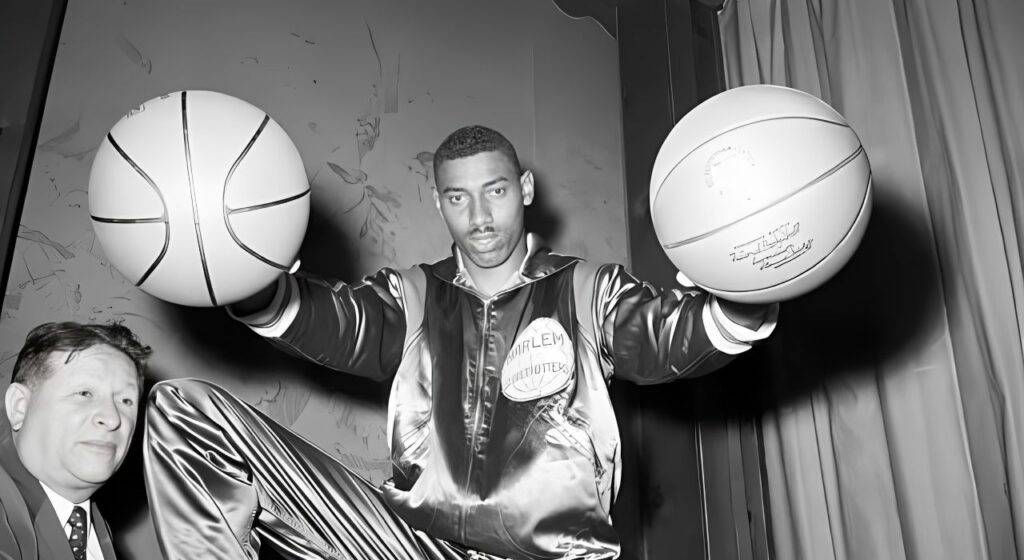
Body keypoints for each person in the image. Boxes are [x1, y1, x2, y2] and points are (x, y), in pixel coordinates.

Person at [144, 126, 778, 560]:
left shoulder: (587, 288)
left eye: (496, 191)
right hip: (413, 545)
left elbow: (668, 338)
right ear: (440, 202)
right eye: (458, 197)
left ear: (524, 189)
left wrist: (743, 295)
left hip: (550, 555)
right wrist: (245, 280)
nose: (479, 217)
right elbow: (336, 323)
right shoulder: (414, 295)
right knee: (184, 411)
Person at [0, 322, 150, 560]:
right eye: (84, 393)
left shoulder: (90, 528)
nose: (112, 419)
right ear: (20, 407)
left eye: (126, 401)